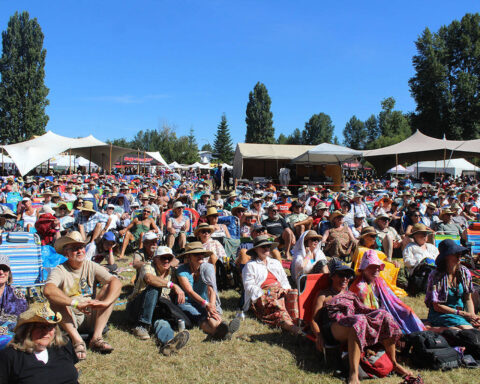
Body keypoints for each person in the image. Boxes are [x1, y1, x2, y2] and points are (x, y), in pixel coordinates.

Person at [310, 258, 411, 384]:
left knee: (384, 315)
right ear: (333, 276)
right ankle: (353, 374)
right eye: (341, 275)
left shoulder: (350, 295)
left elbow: (362, 310)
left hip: (353, 323)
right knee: (358, 321)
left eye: (348, 276)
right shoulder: (323, 295)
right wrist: (318, 335)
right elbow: (313, 320)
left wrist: (378, 315)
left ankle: (394, 363)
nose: (345, 279)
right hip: (333, 328)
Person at [44, 231, 122, 359]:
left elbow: (116, 282)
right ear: (66, 253)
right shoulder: (60, 270)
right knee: (55, 300)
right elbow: (48, 290)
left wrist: (106, 302)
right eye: (74, 249)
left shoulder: (90, 265)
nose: (80, 251)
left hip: (91, 312)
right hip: (70, 316)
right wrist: (75, 303)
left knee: (110, 287)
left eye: (81, 247)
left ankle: (96, 338)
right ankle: (77, 340)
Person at [127, 246, 190, 355]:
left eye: (169, 258)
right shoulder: (147, 267)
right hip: (137, 307)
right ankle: (142, 326)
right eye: (163, 258)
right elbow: (149, 279)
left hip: (156, 308)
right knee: (155, 288)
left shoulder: (172, 272)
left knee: (161, 322)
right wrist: (172, 285)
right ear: (155, 259)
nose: (166, 261)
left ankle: (168, 343)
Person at [0, 301, 79, 384]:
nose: (46, 331)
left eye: (50, 326)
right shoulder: (11, 356)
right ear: (27, 330)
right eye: (41, 327)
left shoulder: (63, 347)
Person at [350, 250, 425, 334]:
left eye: (378, 267)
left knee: (407, 311)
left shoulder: (379, 281)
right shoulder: (360, 287)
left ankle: (418, 333)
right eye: (372, 266)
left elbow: (392, 300)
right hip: (373, 317)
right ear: (364, 269)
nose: (376, 270)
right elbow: (364, 311)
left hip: (385, 311)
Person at [176, 242, 240, 340]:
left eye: (201, 253)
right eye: (196, 254)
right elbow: (189, 291)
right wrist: (206, 304)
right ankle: (218, 331)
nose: (200, 256)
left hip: (205, 302)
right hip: (188, 302)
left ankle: (222, 329)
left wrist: (212, 305)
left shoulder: (208, 267)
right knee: (199, 316)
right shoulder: (181, 270)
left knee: (209, 314)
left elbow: (211, 288)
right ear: (189, 256)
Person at [242, 235, 301, 334]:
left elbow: (284, 279)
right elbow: (249, 285)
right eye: (263, 247)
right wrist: (264, 292)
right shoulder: (250, 265)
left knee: (294, 293)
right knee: (276, 304)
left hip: (280, 290)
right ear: (256, 250)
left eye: (267, 247)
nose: (266, 249)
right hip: (264, 292)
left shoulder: (275, 263)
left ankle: (296, 320)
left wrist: (286, 289)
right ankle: (290, 327)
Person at [425, 239, 480, 329]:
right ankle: (435, 329)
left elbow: (467, 299)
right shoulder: (436, 275)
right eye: (455, 253)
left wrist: (472, 317)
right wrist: (461, 313)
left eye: (459, 253)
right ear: (446, 257)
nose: (459, 256)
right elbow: (437, 306)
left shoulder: (464, 272)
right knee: (467, 330)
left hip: (461, 315)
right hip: (442, 314)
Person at [0, 254, 28, 349]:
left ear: (9, 273)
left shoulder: (18, 295)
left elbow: (24, 321)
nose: (1, 272)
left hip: (12, 340)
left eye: (4, 269)